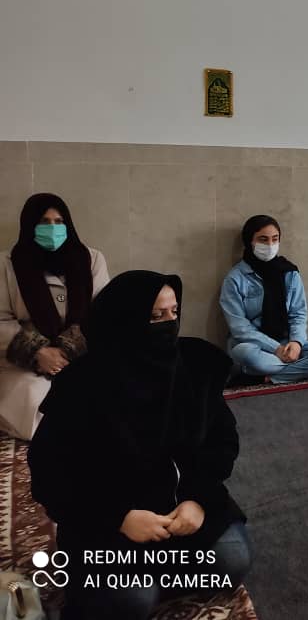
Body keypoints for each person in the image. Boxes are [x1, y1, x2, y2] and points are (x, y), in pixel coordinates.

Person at [28, 271, 252, 620]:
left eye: (173, 313)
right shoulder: (81, 386)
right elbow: (50, 475)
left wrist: (198, 500)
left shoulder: (193, 366)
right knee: (131, 601)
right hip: (107, 520)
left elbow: (222, 441)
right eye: (155, 316)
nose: (168, 324)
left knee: (234, 560)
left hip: (179, 512)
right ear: (124, 320)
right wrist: (118, 518)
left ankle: (151, 575)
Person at [0, 193, 109, 440]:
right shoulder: (7, 264)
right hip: (25, 365)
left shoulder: (91, 259)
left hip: (81, 357)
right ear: (30, 225)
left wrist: (67, 350)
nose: (52, 228)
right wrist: (38, 351)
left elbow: (101, 312)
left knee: (104, 398)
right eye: (44, 222)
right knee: (35, 403)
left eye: (58, 222)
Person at [220, 215, 308, 383]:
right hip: (254, 345)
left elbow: (298, 313)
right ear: (249, 241)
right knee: (244, 353)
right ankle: (297, 369)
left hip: (286, 341)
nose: (270, 245)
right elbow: (239, 328)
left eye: (275, 239)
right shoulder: (235, 278)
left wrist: (296, 343)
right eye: (263, 239)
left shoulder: (289, 272)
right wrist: (276, 348)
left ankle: (265, 377)